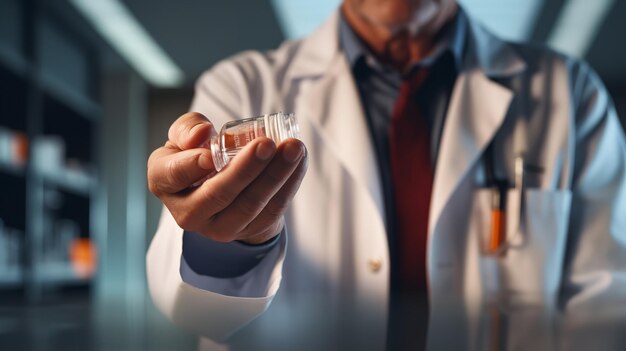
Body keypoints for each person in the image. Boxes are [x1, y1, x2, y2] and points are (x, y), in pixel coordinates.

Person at [146, 0, 626, 350]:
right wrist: (234, 244)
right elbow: (200, 312)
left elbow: (605, 305)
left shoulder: (568, 93)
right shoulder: (241, 86)